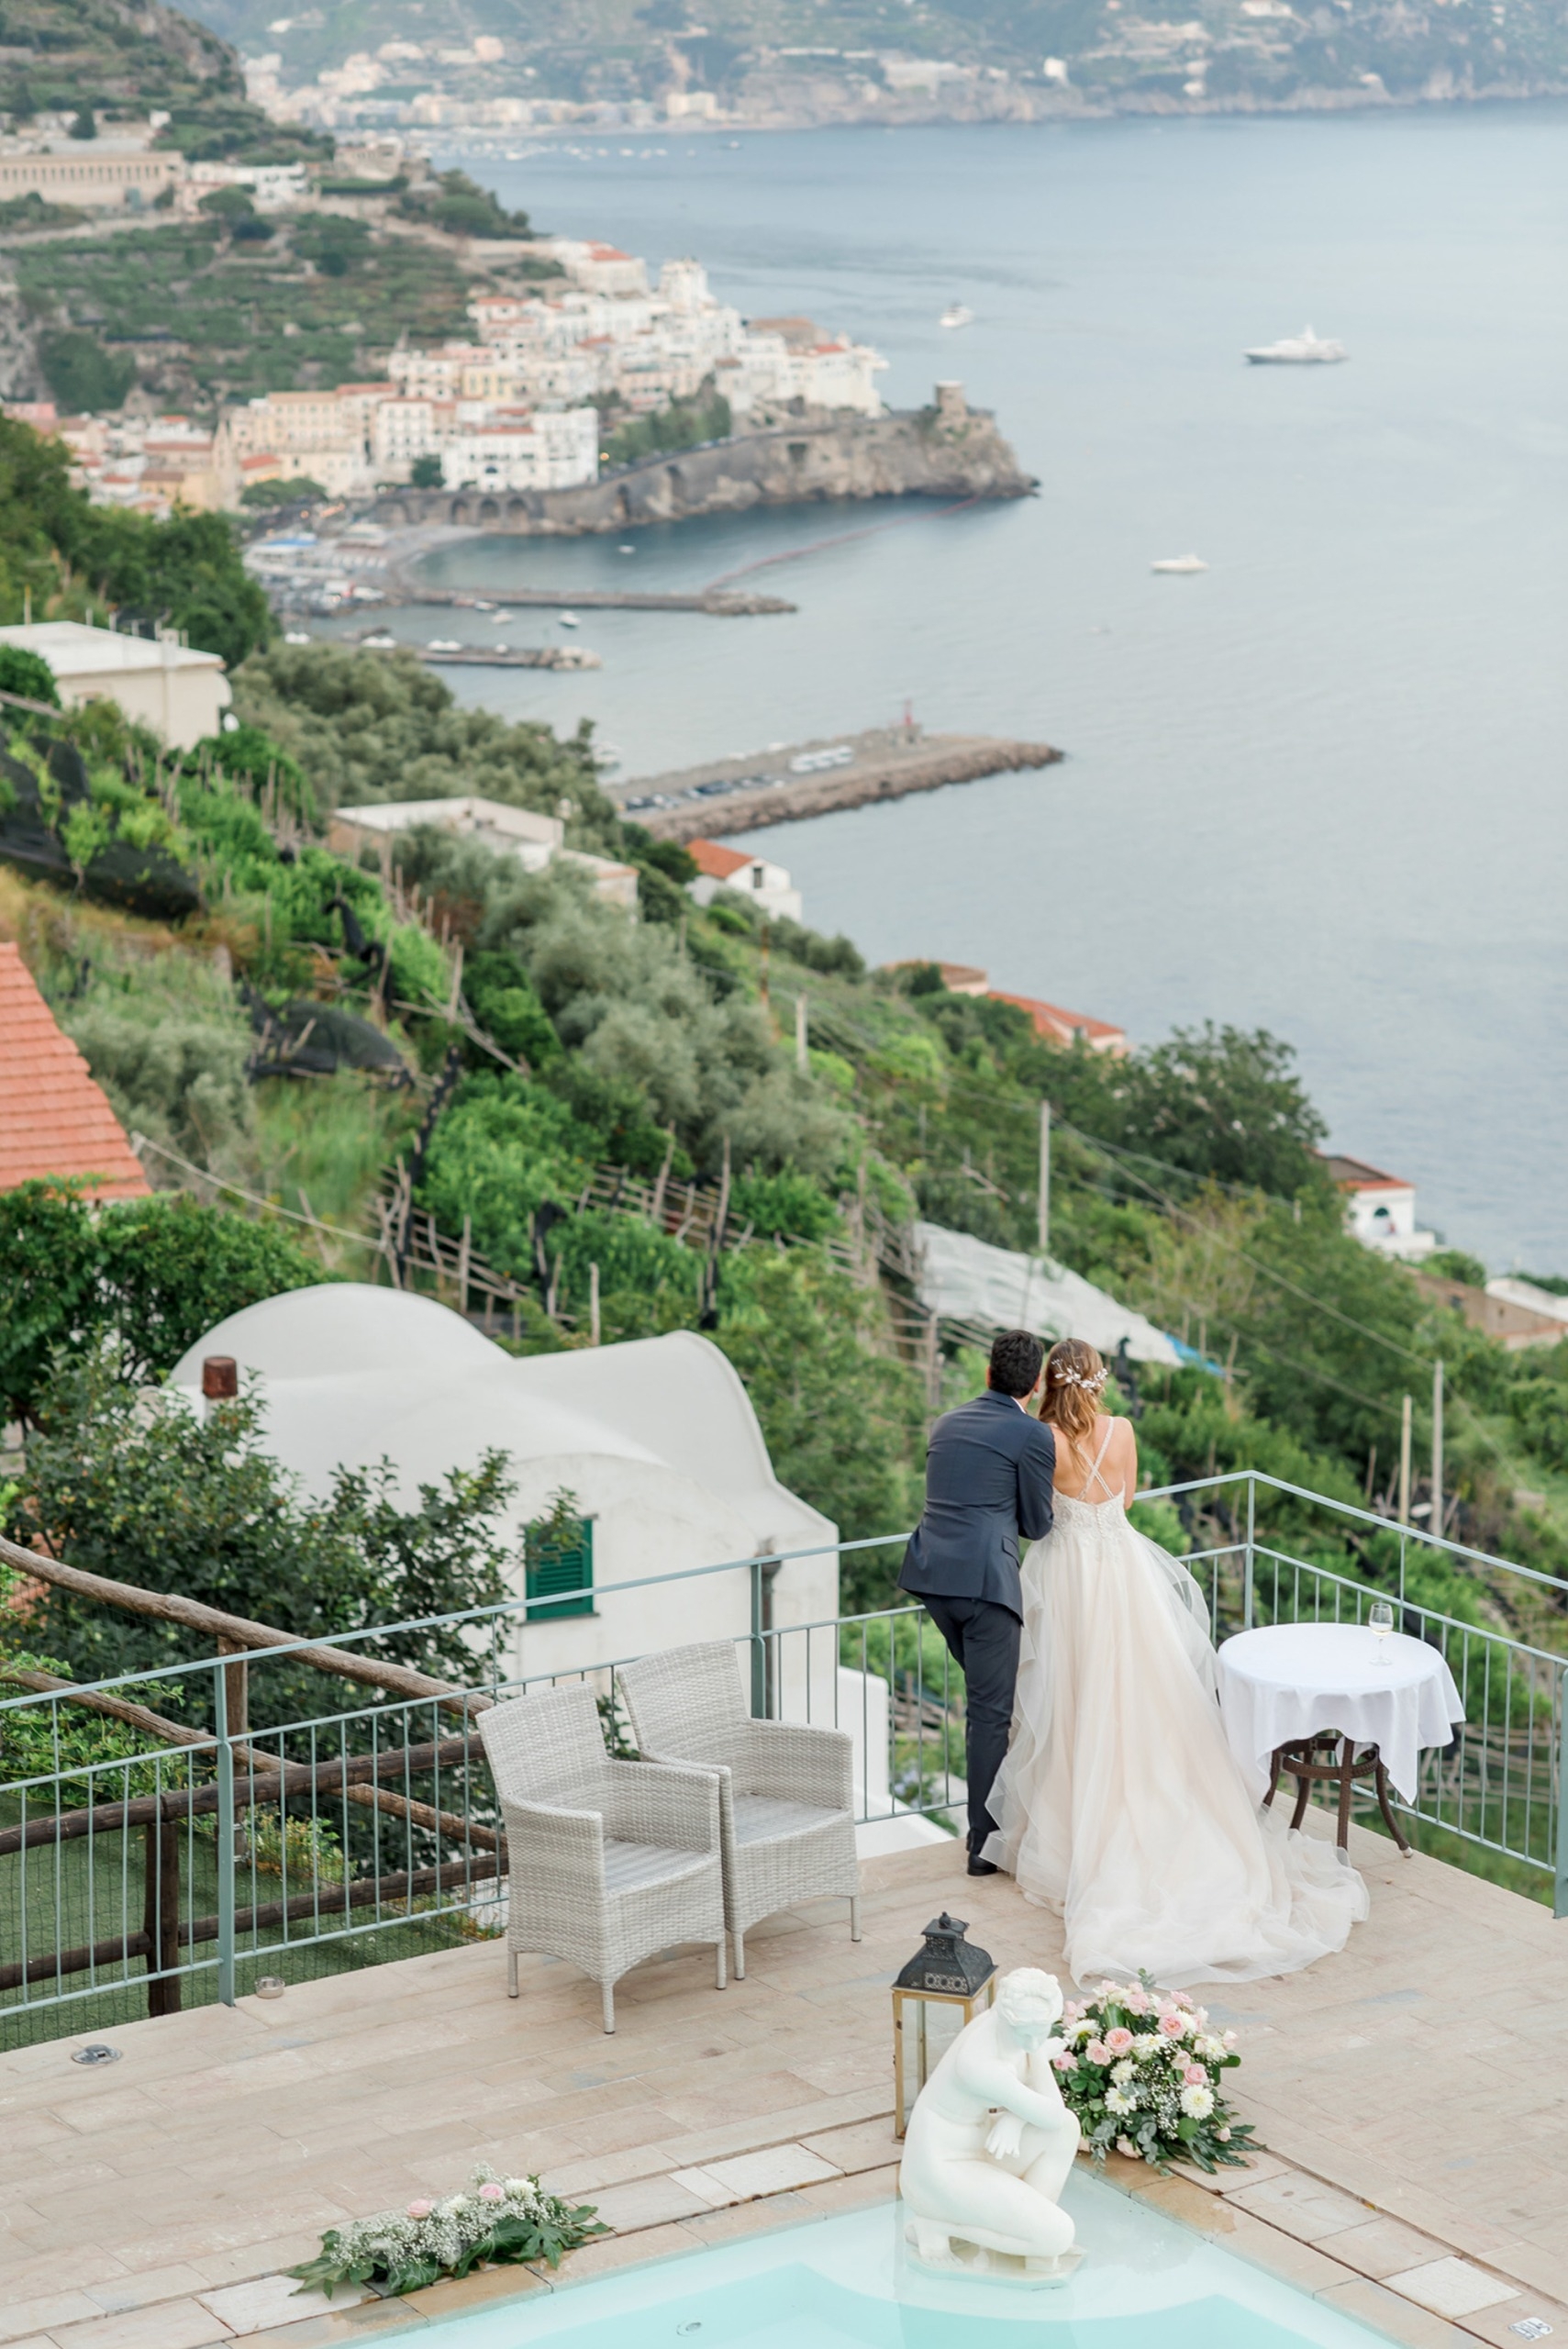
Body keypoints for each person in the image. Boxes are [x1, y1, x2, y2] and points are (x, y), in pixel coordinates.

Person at [983, 1336, 1369, 1986]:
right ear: (1098, 1381)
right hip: (1123, 1569)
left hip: (1068, 1575)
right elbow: (1125, 1500)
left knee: (1071, 1697)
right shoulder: (1123, 1431)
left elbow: (1038, 1516)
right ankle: (1156, 1803)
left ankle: (1075, 1826)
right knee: (1142, 1695)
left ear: (1049, 1380)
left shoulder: (1039, 1437)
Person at [899, 1330, 1057, 1876]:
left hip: (934, 1580)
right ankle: (983, 1849)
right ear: (1034, 1386)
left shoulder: (945, 1424)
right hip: (987, 1587)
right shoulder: (1031, 1434)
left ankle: (1004, 1819)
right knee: (991, 1717)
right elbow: (1038, 1523)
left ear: (988, 1374)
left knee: (992, 1705)